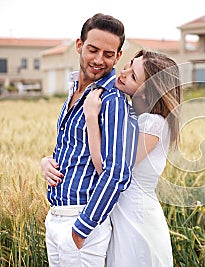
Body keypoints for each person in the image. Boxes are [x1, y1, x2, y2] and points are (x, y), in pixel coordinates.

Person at [40, 13, 139, 266]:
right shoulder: (76, 90)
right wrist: (47, 162)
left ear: (118, 57)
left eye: (108, 54)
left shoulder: (111, 100)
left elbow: (117, 172)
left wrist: (81, 229)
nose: (98, 60)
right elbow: (73, 147)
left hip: (81, 222)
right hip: (56, 218)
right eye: (93, 50)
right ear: (79, 45)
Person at [84, 49, 181, 266]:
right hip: (120, 219)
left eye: (134, 76)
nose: (124, 72)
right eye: (129, 64)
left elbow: (110, 170)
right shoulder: (130, 115)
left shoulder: (153, 124)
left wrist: (91, 117)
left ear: (149, 92)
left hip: (138, 223)